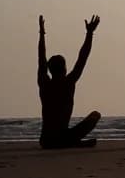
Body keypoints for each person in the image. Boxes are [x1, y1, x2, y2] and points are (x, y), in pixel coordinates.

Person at [37, 15, 102, 149]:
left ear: (50, 70)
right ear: (65, 69)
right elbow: (82, 58)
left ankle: (74, 142)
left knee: (70, 133)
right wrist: (89, 34)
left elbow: (41, 59)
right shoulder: (68, 83)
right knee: (95, 115)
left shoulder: (44, 83)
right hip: (62, 138)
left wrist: (42, 34)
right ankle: (74, 143)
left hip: (46, 140)